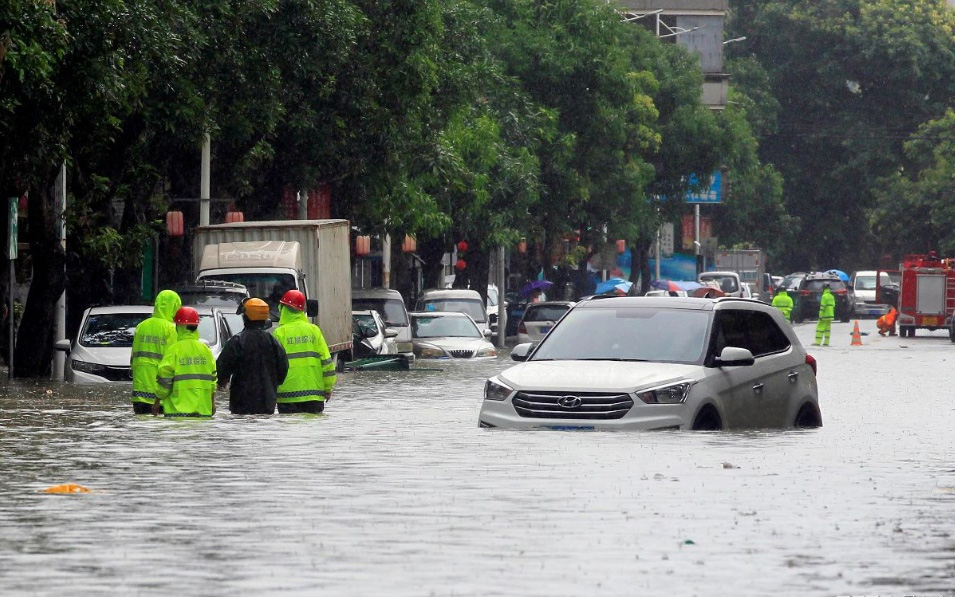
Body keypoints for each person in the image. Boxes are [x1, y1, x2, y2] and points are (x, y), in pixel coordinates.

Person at [216, 298, 289, 415]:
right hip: (267, 402)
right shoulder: (273, 342)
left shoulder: (237, 341)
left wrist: (221, 382)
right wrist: (273, 384)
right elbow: (283, 367)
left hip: (241, 402)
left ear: (246, 317)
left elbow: (222, 366)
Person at [273, 290, 336, 414]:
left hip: (286, 396)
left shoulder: (279, 333)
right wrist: (328, 388)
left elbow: (273, 366)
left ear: (284, 309)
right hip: (314, 396)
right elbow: (327, 362)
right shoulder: (314, 330)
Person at [152, 307, 217, 417]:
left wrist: (157, 400)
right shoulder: (205, 350)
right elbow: (213, 381)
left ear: (179, 326)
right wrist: (212, 403)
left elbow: (165, 379)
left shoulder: (174, 350)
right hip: (203, 413)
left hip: (177, 413)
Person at [130, 289, 181, 414]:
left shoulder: (141, 326)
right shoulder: (172, 329)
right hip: (160, 396)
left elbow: (133, 359)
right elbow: (173, 362)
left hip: (139, 392)